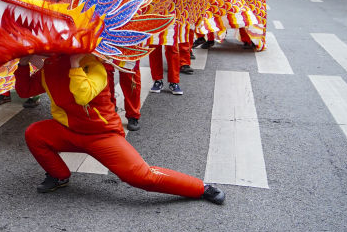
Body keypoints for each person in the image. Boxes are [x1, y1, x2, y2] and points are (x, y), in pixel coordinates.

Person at [14, 53, 225, 204]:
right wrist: (23, 64)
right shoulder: (49, 67)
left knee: (142, 177)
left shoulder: (93, 63)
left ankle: (201, 188)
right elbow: (24, 91)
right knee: (35, 133)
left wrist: (75, 63)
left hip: (102, 136)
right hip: (68, 131)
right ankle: (59, 175)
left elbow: (82, 95)